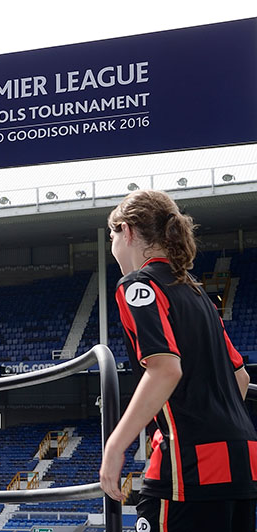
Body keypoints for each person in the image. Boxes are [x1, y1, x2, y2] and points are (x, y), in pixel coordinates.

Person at [99, 190, 257, 531]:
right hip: (242, 459)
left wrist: (114, 446)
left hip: (191, 466)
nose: (112, 246)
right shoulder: (196, 290)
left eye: (112, 235)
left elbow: (165, 370)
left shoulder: (137, 285)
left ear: (126, 232)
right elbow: (240, 377)